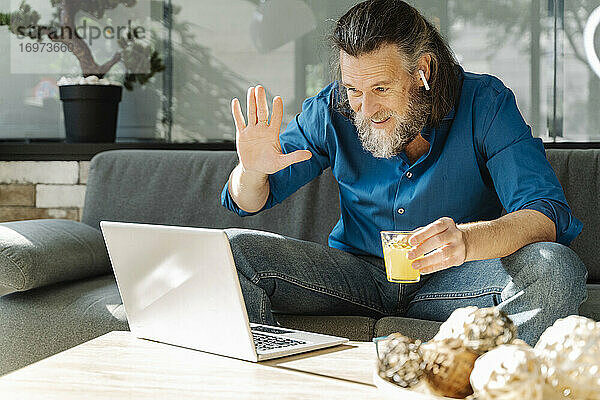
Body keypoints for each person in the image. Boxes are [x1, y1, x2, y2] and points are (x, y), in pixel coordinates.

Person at [220, 0, 587, 346]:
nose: (366, 108)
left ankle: (486, 383)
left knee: (555, 269)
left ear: (422, 70)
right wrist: (250, 171)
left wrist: (466, 242)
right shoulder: (332, 109)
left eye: (381, 88)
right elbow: (251, 200)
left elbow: (546, 213)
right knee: (233, 251)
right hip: (357, 277)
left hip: (455, 279)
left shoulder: (485, 103)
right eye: (354, 90)